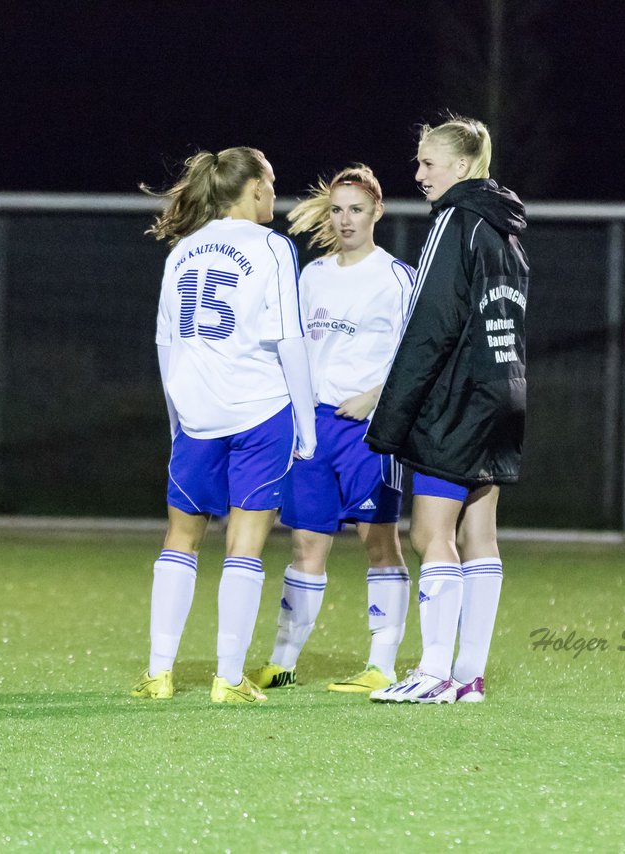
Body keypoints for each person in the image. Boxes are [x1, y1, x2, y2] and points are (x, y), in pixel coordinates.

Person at [131, 146, 317, 704]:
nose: (276, 196)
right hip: (260, 411)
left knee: (180, 539)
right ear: (254, 188)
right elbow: (290, 339)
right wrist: (305, 427)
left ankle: (159, 673)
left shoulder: (182, 249)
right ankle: (227, 678)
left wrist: (175, 419)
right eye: (273, 184)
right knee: (245, 544)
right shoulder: (273, 247)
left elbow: (166, 344)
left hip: (196, 415)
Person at [364, 114, 529, 705]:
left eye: (428, 164)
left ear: (462, 167)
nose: (419, 175)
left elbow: (429, 326)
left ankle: (433, 672)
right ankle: (468, 676)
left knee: (430, 532)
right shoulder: (506, 229)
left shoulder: (456, 219)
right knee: (479, 534)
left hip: (457, 400)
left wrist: (391, 418)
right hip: (504, 394)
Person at [244, 165, 415, 695]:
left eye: (356, 210)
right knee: (305, 547)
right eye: (337, 209)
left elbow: (418, 355)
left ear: (377, 213)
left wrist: (376, 399)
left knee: (379, 543)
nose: (345, 220)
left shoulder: (396, 278)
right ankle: (283, 661)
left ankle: (381, 666)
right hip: (312, 427)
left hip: (368, 430)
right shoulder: (312, 275)